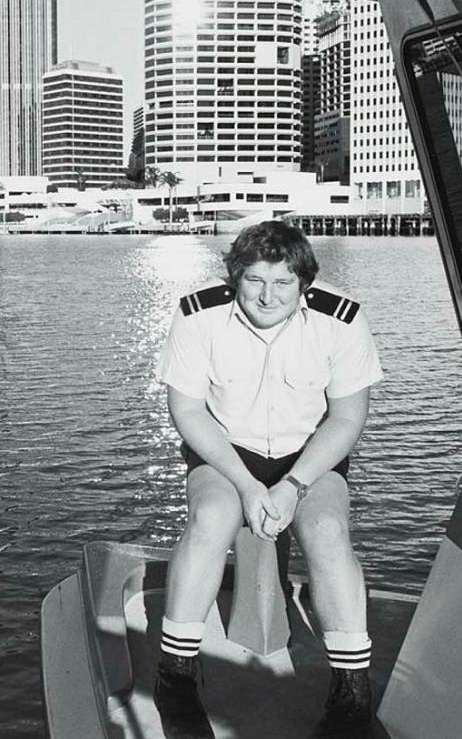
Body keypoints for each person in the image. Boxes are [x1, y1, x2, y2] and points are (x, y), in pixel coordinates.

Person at [153, 220, 383, 739]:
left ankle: (351, 693)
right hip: (225, 452)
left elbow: (346, 418)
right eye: (254, 280)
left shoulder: (341, 318)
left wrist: (292, 485)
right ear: (236, 277)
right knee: (212, 517)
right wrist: (248, 484)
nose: (266, 295)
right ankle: (176, 678)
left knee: (327, 530)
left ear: (304, 282)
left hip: (308, 457)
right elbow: (187, 411)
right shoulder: (198, 314)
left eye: (283, 283)